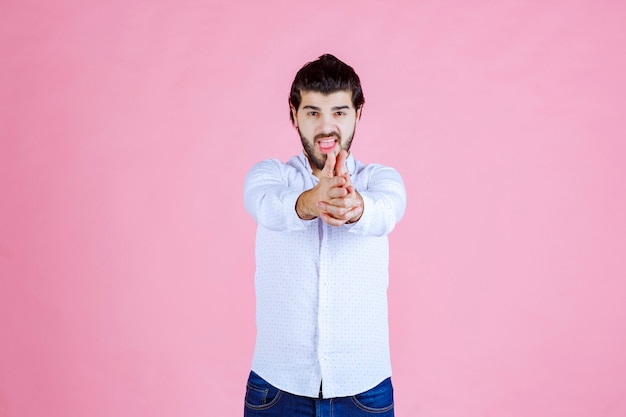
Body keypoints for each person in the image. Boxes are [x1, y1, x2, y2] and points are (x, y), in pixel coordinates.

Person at [243, 54, 406, 417]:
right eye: (313, 112)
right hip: (275, 390)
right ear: (294, 113)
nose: (326, 126)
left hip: (365, 391)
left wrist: (353, 208)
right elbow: (267, 206)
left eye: (339, 112)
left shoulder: (381, 180)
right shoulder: (270, 176)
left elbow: (386, 211)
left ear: (358, 114)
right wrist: (313, 201)